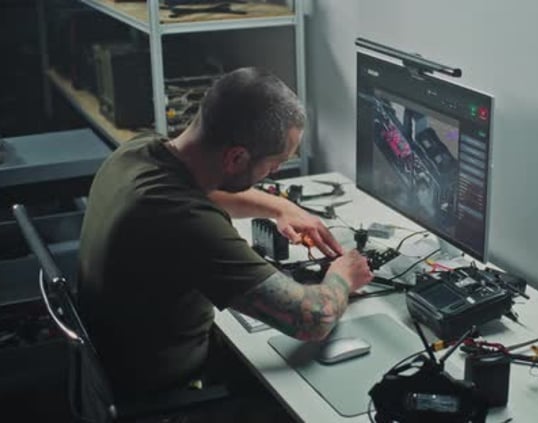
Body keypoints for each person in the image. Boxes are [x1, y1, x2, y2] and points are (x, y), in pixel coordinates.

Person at [78, 67, 374, 403]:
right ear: (235, 157)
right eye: (275, 164)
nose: (274, 172)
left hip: (115, 369)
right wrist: (343, 277)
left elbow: (205, 192)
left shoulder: (139, 153)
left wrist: (278, 207)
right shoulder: (183, 220)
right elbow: (311, 319)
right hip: (168, 394)